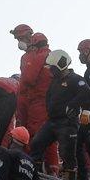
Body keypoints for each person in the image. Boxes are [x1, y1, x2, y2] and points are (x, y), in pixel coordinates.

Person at [29, 50, 90, 180]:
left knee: (67, 153)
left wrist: (77, 108)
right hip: (52, 121)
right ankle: (35, 179)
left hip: (67, 123)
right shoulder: (55, 81)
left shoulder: (76, 79)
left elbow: (87, 93)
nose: (50, 70)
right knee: (37, 143)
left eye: (52, 68)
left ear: (60, 65)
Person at [14, 29, 55, 172]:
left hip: (35, 100)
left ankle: (31, 167)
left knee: (33, 133)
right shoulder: (48, 55)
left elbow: (28, 79)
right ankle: (50, 169)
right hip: (41, 100)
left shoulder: (36, 56)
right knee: (46, 134)